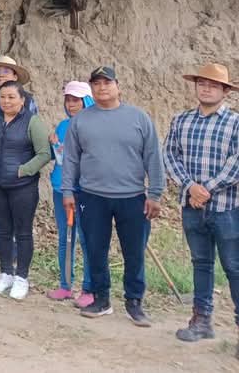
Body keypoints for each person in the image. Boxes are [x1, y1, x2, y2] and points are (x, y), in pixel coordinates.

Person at [62, 66, 164, 325]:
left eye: (107, 82)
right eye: (96, 83)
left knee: (134, 252)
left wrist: (155, 194)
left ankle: (134, 302)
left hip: (132, 197)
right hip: (92, 196)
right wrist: (67, 191)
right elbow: (71, 159)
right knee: (96, 250)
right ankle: (101, 298)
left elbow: (153, 157)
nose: (102, 87)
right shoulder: (81, 120)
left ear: (118, 86)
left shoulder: (139, 118)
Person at [163, 63, 239, 350]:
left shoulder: (235, 122)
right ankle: (201, 320)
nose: (206, 88)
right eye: (201, 83)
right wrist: (189, 187)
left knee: (234, 267)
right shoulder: (181, 120)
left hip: (227, 208)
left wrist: (207, 189)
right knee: (201, 264)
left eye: (213, 85)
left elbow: (237, 161)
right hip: (191, 205)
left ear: (224, 91)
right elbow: (170, 154)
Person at [0, 81, 51, 300]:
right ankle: (6, 273)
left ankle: (21, 277)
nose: (6, 101)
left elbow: (44, 153)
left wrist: (24, 170)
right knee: (3, 230)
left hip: (23, 187)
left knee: (22, 232)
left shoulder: (32, 122)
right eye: (3, 97)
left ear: (22, 100)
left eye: (12, 97)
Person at [47, 81, 94, 302]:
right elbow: (60, 159)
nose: (71, 104)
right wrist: (54, 146)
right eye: (68, 100)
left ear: (87, 101)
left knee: (87, 240)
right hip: (60, 189)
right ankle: (65, 285)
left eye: (76, 100)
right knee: (66, 239)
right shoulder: (63, 126)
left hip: (85, 191)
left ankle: (88, 289)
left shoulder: (95, 126)